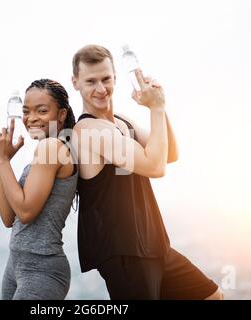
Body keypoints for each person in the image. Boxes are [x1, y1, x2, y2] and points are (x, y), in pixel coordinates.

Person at [71, 44, 222, 300]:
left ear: (116, 77)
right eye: (90, 81)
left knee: (212, 296)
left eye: (106, 79)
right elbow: (155, 167)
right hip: (124, 252)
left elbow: (169, 154)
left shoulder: (121, 121)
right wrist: (156, 109)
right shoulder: (88, 130)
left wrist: (158, 105)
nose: (100, 88)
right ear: (76, 83)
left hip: (154, 244)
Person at [0, 79, 78, 300]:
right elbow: (8, 217)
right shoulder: (44, 150)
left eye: (41, 110)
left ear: (61, 115)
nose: (31, 118)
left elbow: (26, 212)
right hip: (16, 264)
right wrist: (5, 164)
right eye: (26, 111)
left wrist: (1, 161)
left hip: (42, 269)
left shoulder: (52, 147)